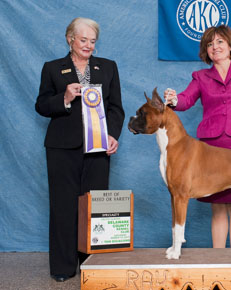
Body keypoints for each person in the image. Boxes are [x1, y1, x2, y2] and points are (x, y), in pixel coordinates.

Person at [164, 25, 231, 249]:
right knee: (218, 206)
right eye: (210, 44)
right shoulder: (201, 77)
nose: (215, 47)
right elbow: (185, 100)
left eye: (220, 42)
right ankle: (218, 258)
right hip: (211, 147)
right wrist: (174, 99)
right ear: (206, 50)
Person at [35, 17, 125, 282]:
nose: (88, 45)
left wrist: (112, 135)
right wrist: (64, 98)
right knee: (63, 206)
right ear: (70, 39)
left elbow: (116, 108)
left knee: (96, 207)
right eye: (83, 39)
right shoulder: (52, 68)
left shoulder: (108, 67)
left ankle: (93, 266)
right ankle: (63, 267)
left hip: (98, 148)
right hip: (61, 147)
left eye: (93, 41)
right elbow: (41, 105)